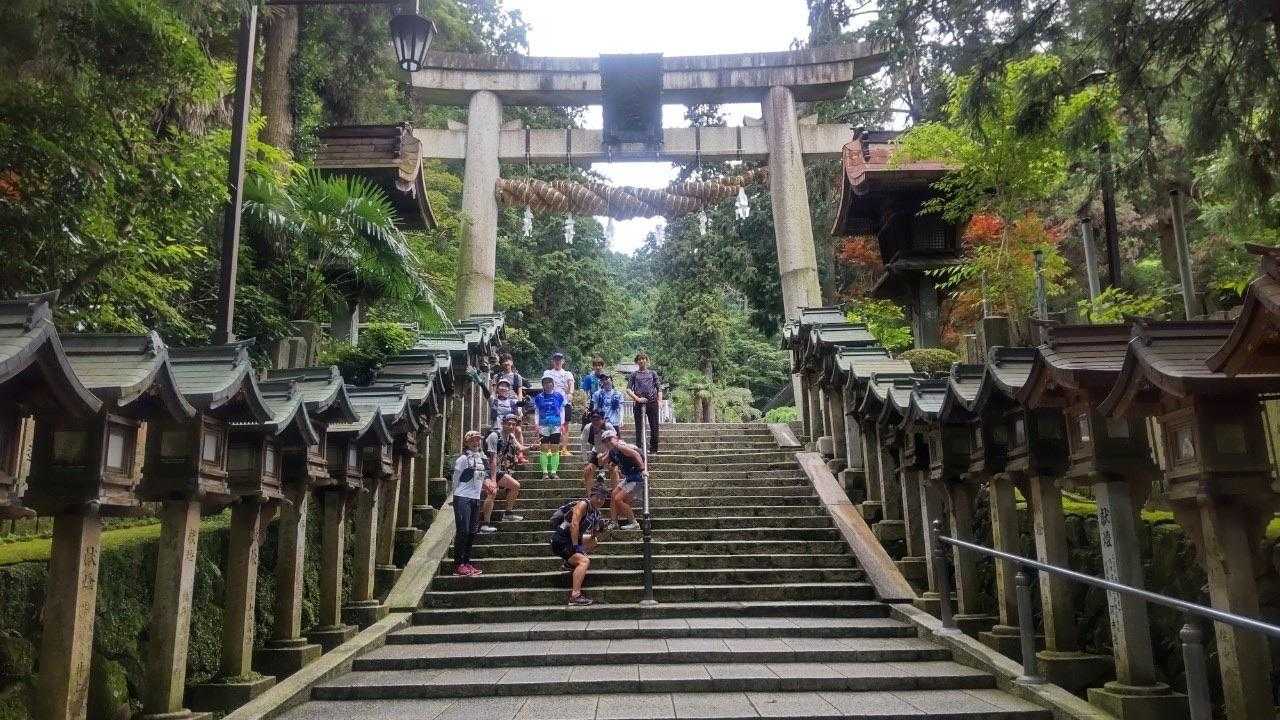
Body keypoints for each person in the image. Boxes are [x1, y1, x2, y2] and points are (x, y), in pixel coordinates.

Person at [549, 482, 610, 606]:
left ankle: (569, 564)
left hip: (571, 540)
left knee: (594, 541)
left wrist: (599, 530)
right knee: (584, 561)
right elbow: (574, 524)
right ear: (591, 495)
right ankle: (575, 596)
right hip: (561, 540)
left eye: (602, 498)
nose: (599, 500)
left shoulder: (596, 514)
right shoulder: (583, 504)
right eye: (597, 497)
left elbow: (593, 536)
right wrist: (577, 547)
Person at [450, 430, 488, 576]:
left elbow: (480, 479)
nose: (476, 442)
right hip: (462, 497)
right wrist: (456, 496)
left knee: (472, 531)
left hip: (475, 498)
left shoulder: (480, 459)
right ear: (466, 442)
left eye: (478, 440)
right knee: (463, 531)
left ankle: (466, 562)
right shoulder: (463, 459)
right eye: (473, 440)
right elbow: (456, 478)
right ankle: (458, 564)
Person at [480, 414, 524, 530]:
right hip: (484, 469)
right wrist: (494, 481)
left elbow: (520, 448)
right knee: (492, 491)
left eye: (513, 424)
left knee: (515, 486)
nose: (511, 426)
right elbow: (493, 459)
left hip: (496, 469)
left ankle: (508, 514)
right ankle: (485, 524)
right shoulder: (494, 436)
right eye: (509, 424)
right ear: (503, 423)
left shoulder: (510, 436)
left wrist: (533, 447)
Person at [601, 429, 646, 532]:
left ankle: (634, 523)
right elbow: (616, 461)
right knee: (613, 495)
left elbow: (636, 455)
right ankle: (614, 522)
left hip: (636, 477)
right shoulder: (613, 451)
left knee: (618, 499)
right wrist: (611, 464)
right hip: (629, 477)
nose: (608, 442)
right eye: (605, 441)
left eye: (609, 439)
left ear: (616, 438)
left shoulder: (621, 446)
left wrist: (643, 470)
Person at [625, 351, 662, 453]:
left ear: (646, 360)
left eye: (643, 359)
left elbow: (659, 388)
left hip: (652, 402)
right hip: (639, 403)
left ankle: (654, 449)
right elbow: (628, 389)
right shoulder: (634, 375)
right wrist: (637, 399)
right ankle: (639, 449)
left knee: (654, 426)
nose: (641, 361)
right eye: (639, 359)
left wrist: (660, 401)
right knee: (639, 427)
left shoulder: (652, 373)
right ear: (637, 362)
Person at [532, 373, 567, 480]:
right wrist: (536, 424)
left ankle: (554, 472)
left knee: (555, 448)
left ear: (553, 384)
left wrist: (562, 423)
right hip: (543, 425)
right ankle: (545, 473)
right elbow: (537, 412)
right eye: (545, 383)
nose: (548, 384)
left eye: (550, 382)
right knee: (544, 448)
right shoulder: (538, 397)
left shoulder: (559, 396)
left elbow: (562, 410)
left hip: (556, 425)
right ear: (543, 385)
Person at [579, 410, 617, 497]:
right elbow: (583, 445)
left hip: (610, 450)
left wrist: (608, 455)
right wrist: (586, 462)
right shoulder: (588, 428)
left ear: (603, 419)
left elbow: (615, 442)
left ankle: (614, 493)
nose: (595, 422)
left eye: (598, 419)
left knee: (614, 470)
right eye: (593, 419)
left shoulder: (608, 426)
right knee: (588, 471)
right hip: (596, 450)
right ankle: (589, 495)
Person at [544, 352, 575, 456]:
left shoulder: (567, 374)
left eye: (559, 359)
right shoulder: (548, 373)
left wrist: (570, 393)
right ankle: (550, 449)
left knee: (565, 425)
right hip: (551, 402)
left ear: (563, 361)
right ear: (553, 361)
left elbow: (571, 385)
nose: (558, 361)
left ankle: (564, 449)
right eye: (556, 359)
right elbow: (544, 386)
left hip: (565, 402)